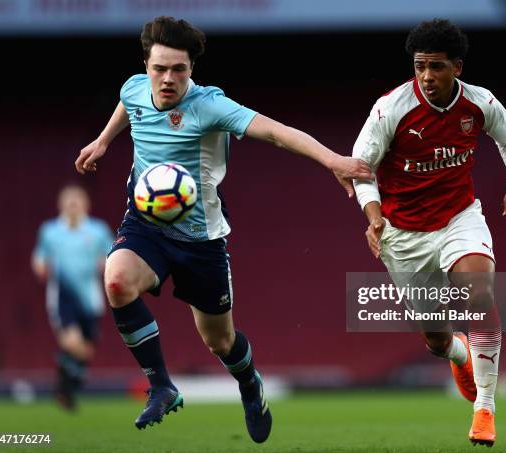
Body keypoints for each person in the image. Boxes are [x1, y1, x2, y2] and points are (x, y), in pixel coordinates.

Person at [74, 16, 372, 442]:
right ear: (146, 66)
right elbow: (128, 104)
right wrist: (104, 140)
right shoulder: (133, 87)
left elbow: (276, 132)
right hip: (146, 225)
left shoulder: (210, 105)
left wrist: (333, 161)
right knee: (117, 282)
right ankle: (160, 385)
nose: (168, 78)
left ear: (192, 69)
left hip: (201, 240)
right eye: (159, 69)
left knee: (220, 341)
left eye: (179, 69)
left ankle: (250, 384)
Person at [352, 19, 506, 447]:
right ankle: (458, 353)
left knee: (478, 291)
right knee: (436, 339)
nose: (427, 77)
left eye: (436, 67)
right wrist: (373, 212)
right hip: (404, 235)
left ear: (457, 66)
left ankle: (485, 407)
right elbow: (361, 169)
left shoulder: (480, 103)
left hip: (459, 217)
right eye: (420, 67)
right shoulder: (390, 108)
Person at [32, 185, 113, 410]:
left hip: (90, 296)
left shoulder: (98, 230)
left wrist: (106, 264)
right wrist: (40, 266)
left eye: (77, 200)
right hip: (63, 295)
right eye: (69, 201)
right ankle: (67, 380)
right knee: (72, 342)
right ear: (61, 205)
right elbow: (40, 256)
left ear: (86, 204)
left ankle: (66, 386)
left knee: (86, 350)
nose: (73, 204)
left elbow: (112, 255)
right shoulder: (50, 231)